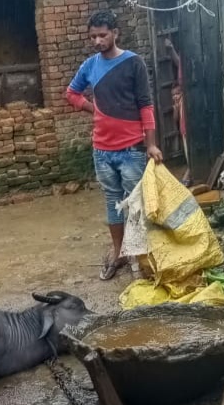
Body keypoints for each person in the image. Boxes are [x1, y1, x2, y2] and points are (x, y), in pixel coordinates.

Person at [66, 10, 163, 281]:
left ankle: (140, 256)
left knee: (135, 203)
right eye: (93, 36)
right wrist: (91, 108)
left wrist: (151, 144)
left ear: (115, 33)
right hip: (102, 150)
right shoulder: (89, 66)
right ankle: (120, 253)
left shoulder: (133, 63)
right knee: (113, 201)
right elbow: (71, 94)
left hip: (132, 148)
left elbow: (145, 105)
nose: (97, 41)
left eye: (103, 35)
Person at [165, 38, 192, 186]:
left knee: (191, 148)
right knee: (188, 148)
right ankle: (190, 171)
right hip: (183, 127)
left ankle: (190, 173)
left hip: (188, 123)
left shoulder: (185, 97)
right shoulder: (179, 102)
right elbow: (176, 119)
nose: (174, 96)